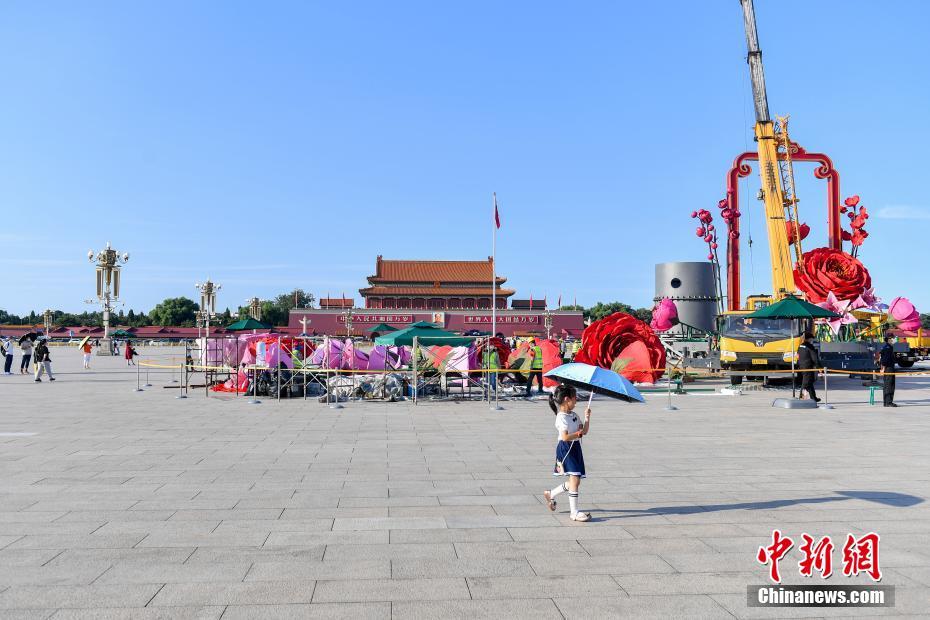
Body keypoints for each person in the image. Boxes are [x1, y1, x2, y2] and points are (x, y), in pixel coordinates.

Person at [543, 384, 592, 522]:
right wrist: (578, 434)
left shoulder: (574, 415)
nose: (576, 400)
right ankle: (574, 513)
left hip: (575, 447)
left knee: (575, 481)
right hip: (566, 448)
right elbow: (565, 437)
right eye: (574, 398)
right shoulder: (561, 417)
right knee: (575, 479)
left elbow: (584, 431)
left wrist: (587, 418)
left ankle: (551, 493)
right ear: (566, 399)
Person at [796, 331, 820, 402]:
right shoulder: (810, 347)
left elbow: (798, 356)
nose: (812, 340)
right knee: (805, 384)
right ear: (808, 339)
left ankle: (813, 398)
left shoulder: (800, 346)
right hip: (808, 368)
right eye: (811, 339)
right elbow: (814, 358)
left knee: (809, 382)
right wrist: (819, 367)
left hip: (801, 367)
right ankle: (801, 398)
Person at [879, 333, 897, 407]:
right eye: (893, 338)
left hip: (890, 367)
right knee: (889, 385)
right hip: (888, 368)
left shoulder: (889, 347)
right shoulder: (887, 348)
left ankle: (888, 402)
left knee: (890, 384)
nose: (894, 339)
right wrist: (883, 368)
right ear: (889, 339)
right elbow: (884, 360)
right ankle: (888, 402)